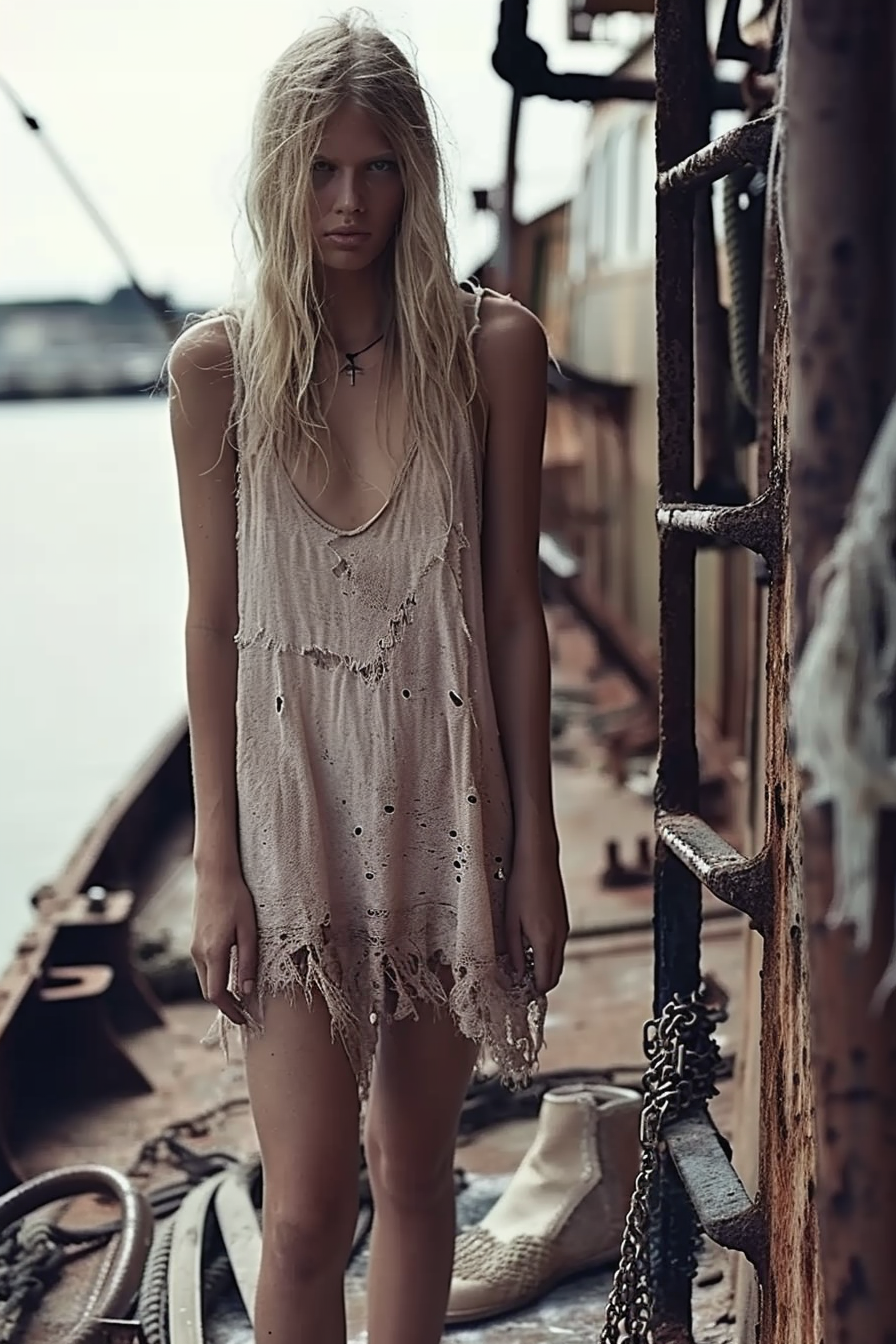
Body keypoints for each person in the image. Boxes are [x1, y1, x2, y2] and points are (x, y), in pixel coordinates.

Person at [167, 13, 569, 1344]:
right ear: (282, 176)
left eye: (379, 167)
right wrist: (217, 861)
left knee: (414, 1177)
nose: (350, 201)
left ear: (416, 175)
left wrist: (538, 857)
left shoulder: (492, 347)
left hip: (449, 805)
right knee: (300, 1210)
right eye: (323, 169)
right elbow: (215, 627)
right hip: (289, 824)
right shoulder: (217, 368)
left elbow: (514, 616)